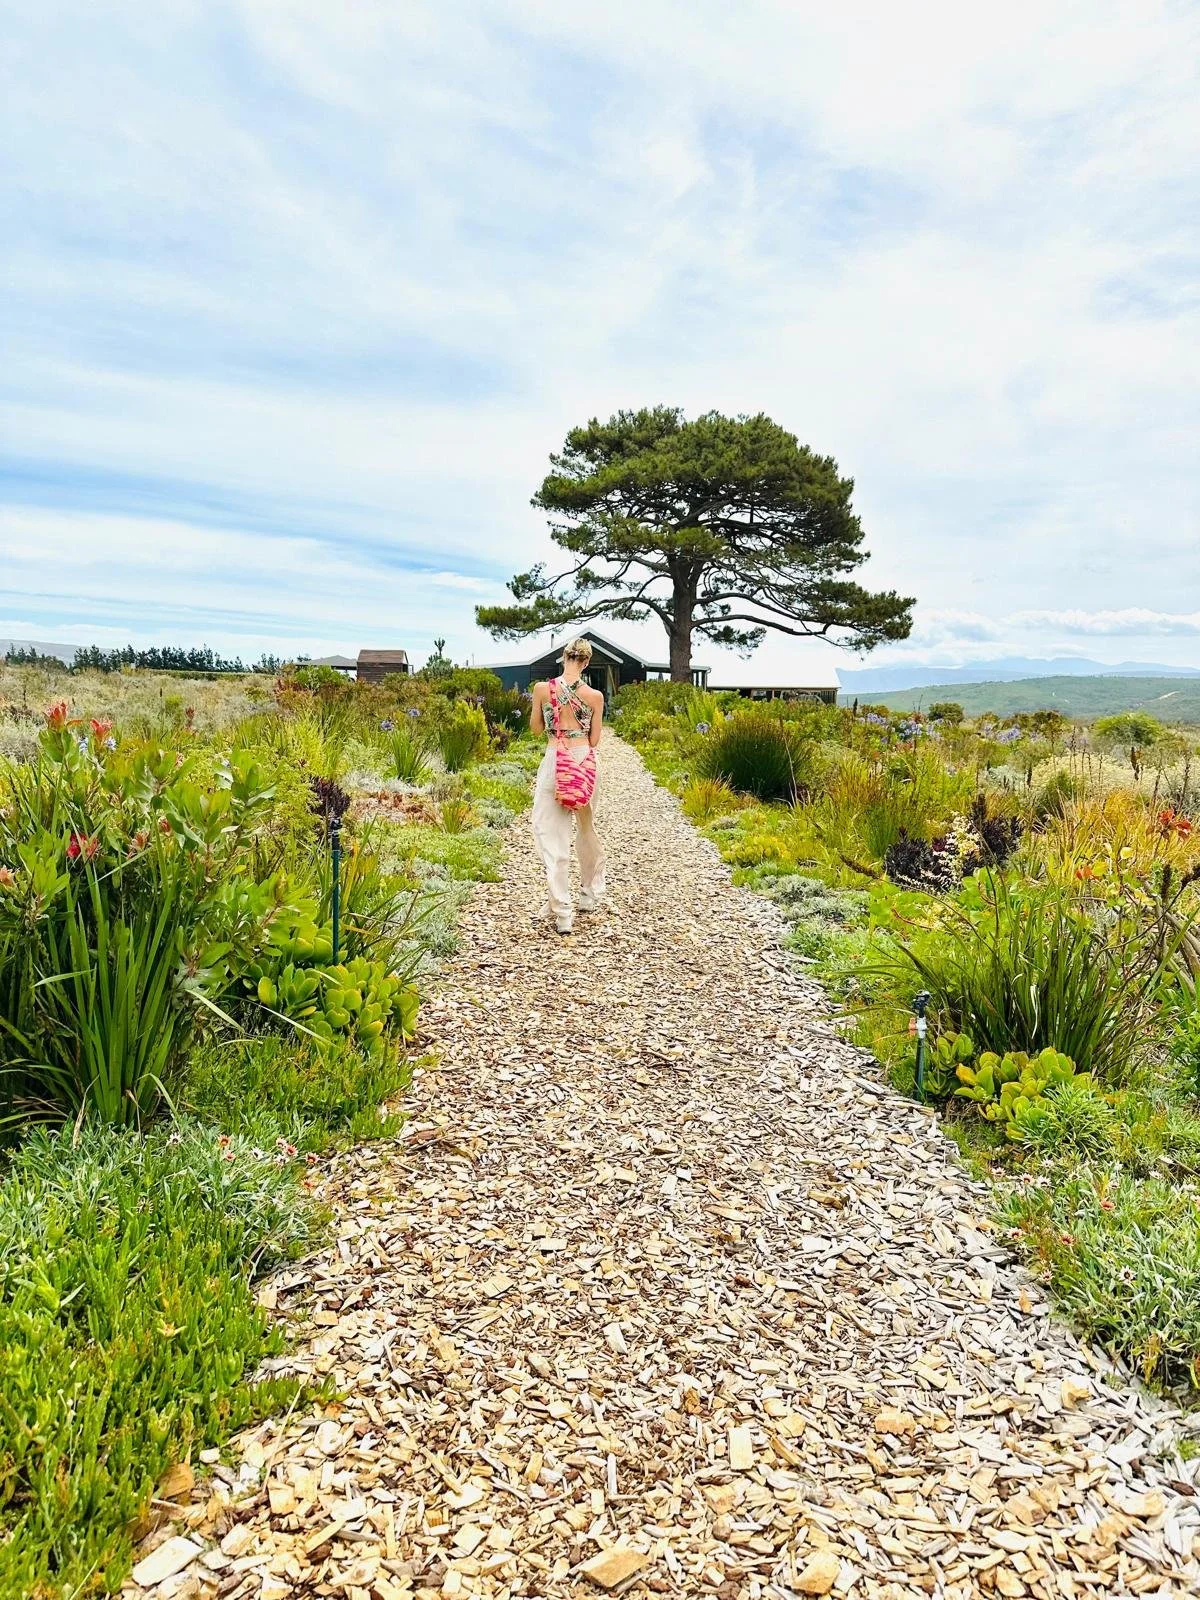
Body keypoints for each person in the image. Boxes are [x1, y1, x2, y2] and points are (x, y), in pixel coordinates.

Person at [529, 638, 606, 935]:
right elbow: (595, 739)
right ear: (586, 663)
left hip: (554, 760)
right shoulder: (594, 696)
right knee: (586, 829)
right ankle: (588, 894)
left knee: (551, 835)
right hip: (583, 763)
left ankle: (562, 911)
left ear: (563, 657)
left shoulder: (541, 690)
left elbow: (536, 729)